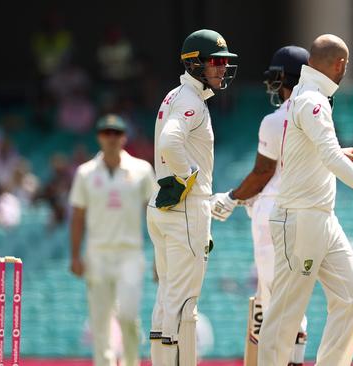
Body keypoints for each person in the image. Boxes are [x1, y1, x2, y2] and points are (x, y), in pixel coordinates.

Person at [257, 34, 353, 366]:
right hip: (300, 217)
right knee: (286, 312)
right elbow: (330, 159)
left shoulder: (313, 97)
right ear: (340, 65)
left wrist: (338, 151)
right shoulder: (312, 100)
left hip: (322, 217)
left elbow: (323, 152)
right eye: (345, 66)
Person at [209, 45, 310, 366]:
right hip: (306, 215)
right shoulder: (320, 116)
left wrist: (232, 198)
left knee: (271, 300)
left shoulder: (275, 119)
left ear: (281, 79)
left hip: (273, 216)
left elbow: (263, 172)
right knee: (295, 301)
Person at [146, 29, 237, 366]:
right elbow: (170, 142)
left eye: (225, 62)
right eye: (216, 62)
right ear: (195, 63)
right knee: (184, 303)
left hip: (165, 207)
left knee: (167, 296)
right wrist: (188, 178)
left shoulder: (175, 95)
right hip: (186, 207)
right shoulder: (190, 101)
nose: (223, 69)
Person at [69, 114, 155, 366]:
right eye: (106, 133)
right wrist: (75, 255)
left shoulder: (141, 170)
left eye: (116, 133)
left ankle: (130, 362)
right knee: (100, 321)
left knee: (128, 315)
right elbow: (78, 215)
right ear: (99, 137)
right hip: (97, 254)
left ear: (124, 137)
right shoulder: (85, 173)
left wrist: (160, 255)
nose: (111, 138)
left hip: (130, 253)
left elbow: (154, 212)